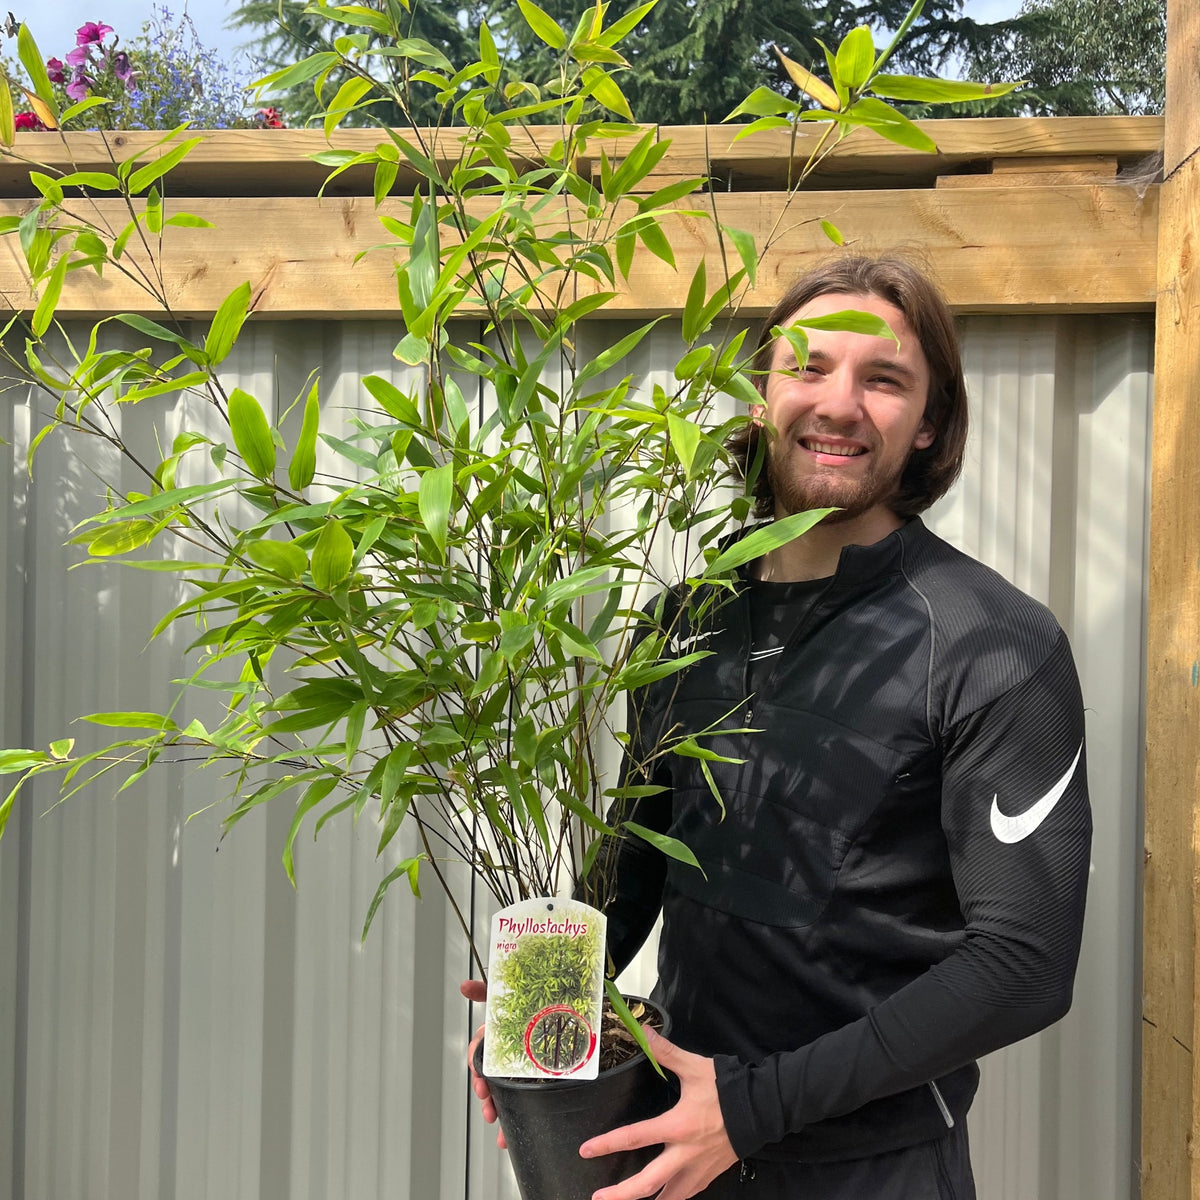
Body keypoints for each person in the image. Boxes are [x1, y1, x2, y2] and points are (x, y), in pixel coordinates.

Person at [464, 255, 1092, 1200]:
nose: (839, 404)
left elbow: (1025, 963)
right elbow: (637, 868)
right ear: (759, 397)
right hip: (672, 1151)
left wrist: (752, 1108)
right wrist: (550, 994)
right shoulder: (687, 621)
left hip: (869, 1172)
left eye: (882, 380)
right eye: (807, 367)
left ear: (928, 425)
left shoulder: (994, 645)